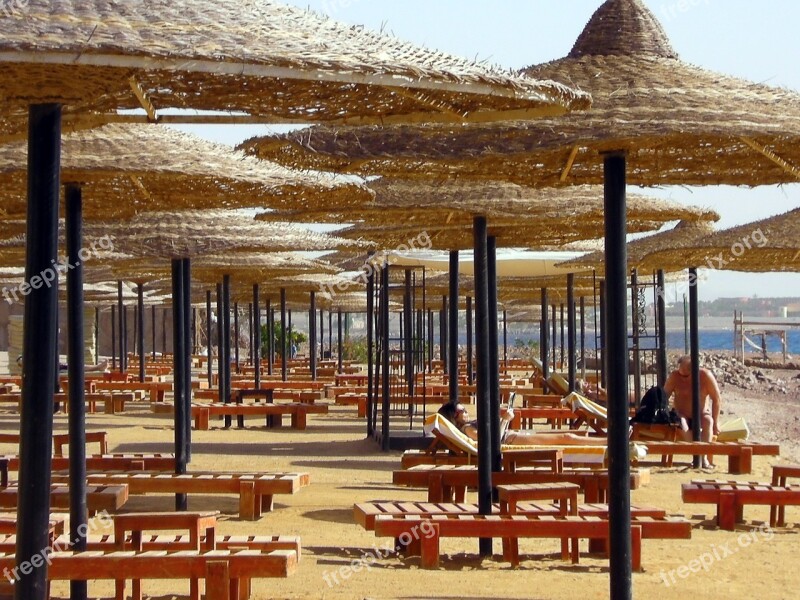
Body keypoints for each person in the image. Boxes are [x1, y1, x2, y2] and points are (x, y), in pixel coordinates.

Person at [437, 401, 606, 446]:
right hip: (511, 440)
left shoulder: (467, 426)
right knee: (566, 437)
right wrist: (505, 420)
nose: (466, 412)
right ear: (454, 417)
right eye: (462, 411)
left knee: (569, 435)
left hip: (514, 436)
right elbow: (490, 441)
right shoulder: (467, 429)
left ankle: (608, 441)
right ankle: (608, 442)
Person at [663, 354, 721, 467]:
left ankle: (702, 458)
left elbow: (717, 399)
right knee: (680, 422)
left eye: (686, 375)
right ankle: (698, 454)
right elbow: (664, 396)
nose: (682, 378)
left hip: (701, 413)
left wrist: (716, 422)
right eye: (681, 373)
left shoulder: (705, 376)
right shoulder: (675, 376)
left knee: (708, 421)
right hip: (682, 413)